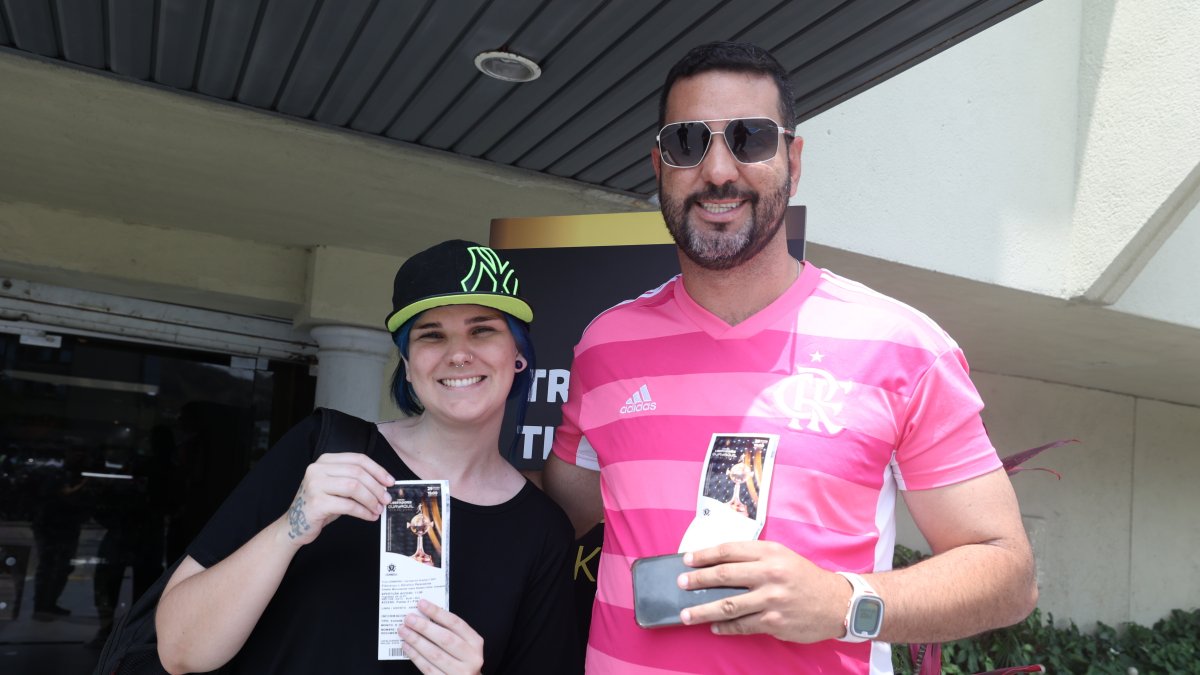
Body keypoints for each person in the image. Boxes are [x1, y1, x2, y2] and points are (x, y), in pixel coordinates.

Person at [543, 42, 1038, 674]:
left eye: (750, 139)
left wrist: (842, 601)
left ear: (793, 161)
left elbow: (1007, 572)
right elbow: (546, 521)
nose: (718, 170)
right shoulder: (605, 347)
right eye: (689, 143)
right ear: (659, 165)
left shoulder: (904, 346)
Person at [156, 240, 580, 674]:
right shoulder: (324, 451)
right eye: (431, 334)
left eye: (482, 330)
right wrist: (293, 527)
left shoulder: (541, 531)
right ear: (408, 362)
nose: (457, 354)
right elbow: (179, 650)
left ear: (519, 354)